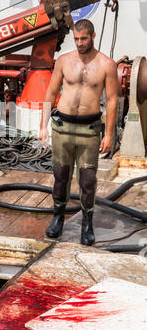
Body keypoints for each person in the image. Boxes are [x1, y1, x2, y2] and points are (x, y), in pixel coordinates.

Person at [39, 19, 118, 246]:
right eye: (76, 39)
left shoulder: (106, 64)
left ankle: (87, 223)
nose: (80, 43)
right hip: (62, 128)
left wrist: (109, 134)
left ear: (92, 36)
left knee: (88, 180)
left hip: (89, 130)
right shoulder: (64, 61)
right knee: (60, 176)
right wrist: (42, 126)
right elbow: (50, 92)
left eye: (84, 38)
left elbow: (112, 100)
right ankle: (57, 217)